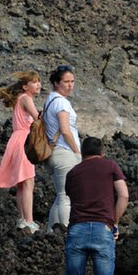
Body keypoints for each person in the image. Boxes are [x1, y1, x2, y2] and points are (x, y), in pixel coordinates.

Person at [57, 135, 129, 275]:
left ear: (82, 153)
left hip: (77, 229)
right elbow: (123, 195)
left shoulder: (73, 173)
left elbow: (71, 197)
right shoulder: (110, 166)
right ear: (102, 153)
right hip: (102, 229)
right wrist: (114, 222)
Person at [0, 70, 44, 232]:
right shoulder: (26, 99)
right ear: (25, 86)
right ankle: (29, 221)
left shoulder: (19, 99)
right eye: (35, 82)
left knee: (22, 184)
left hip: (16, 140)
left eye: (39, 81)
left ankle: (22, 219)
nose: (39, 85)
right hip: (24, 141)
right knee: (28, 182)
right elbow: (38, 119)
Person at [41, 66, 82, 228]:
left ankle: (51, 231)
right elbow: (65, 130)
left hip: (52, 154)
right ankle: (65, 232)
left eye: (72, 82)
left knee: (60, 196)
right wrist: (77, 152)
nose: (70, 85)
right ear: (56, 83)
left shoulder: (50, 100)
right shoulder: (62, 103)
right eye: (66, 82)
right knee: (67, 197)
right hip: (64, 154)